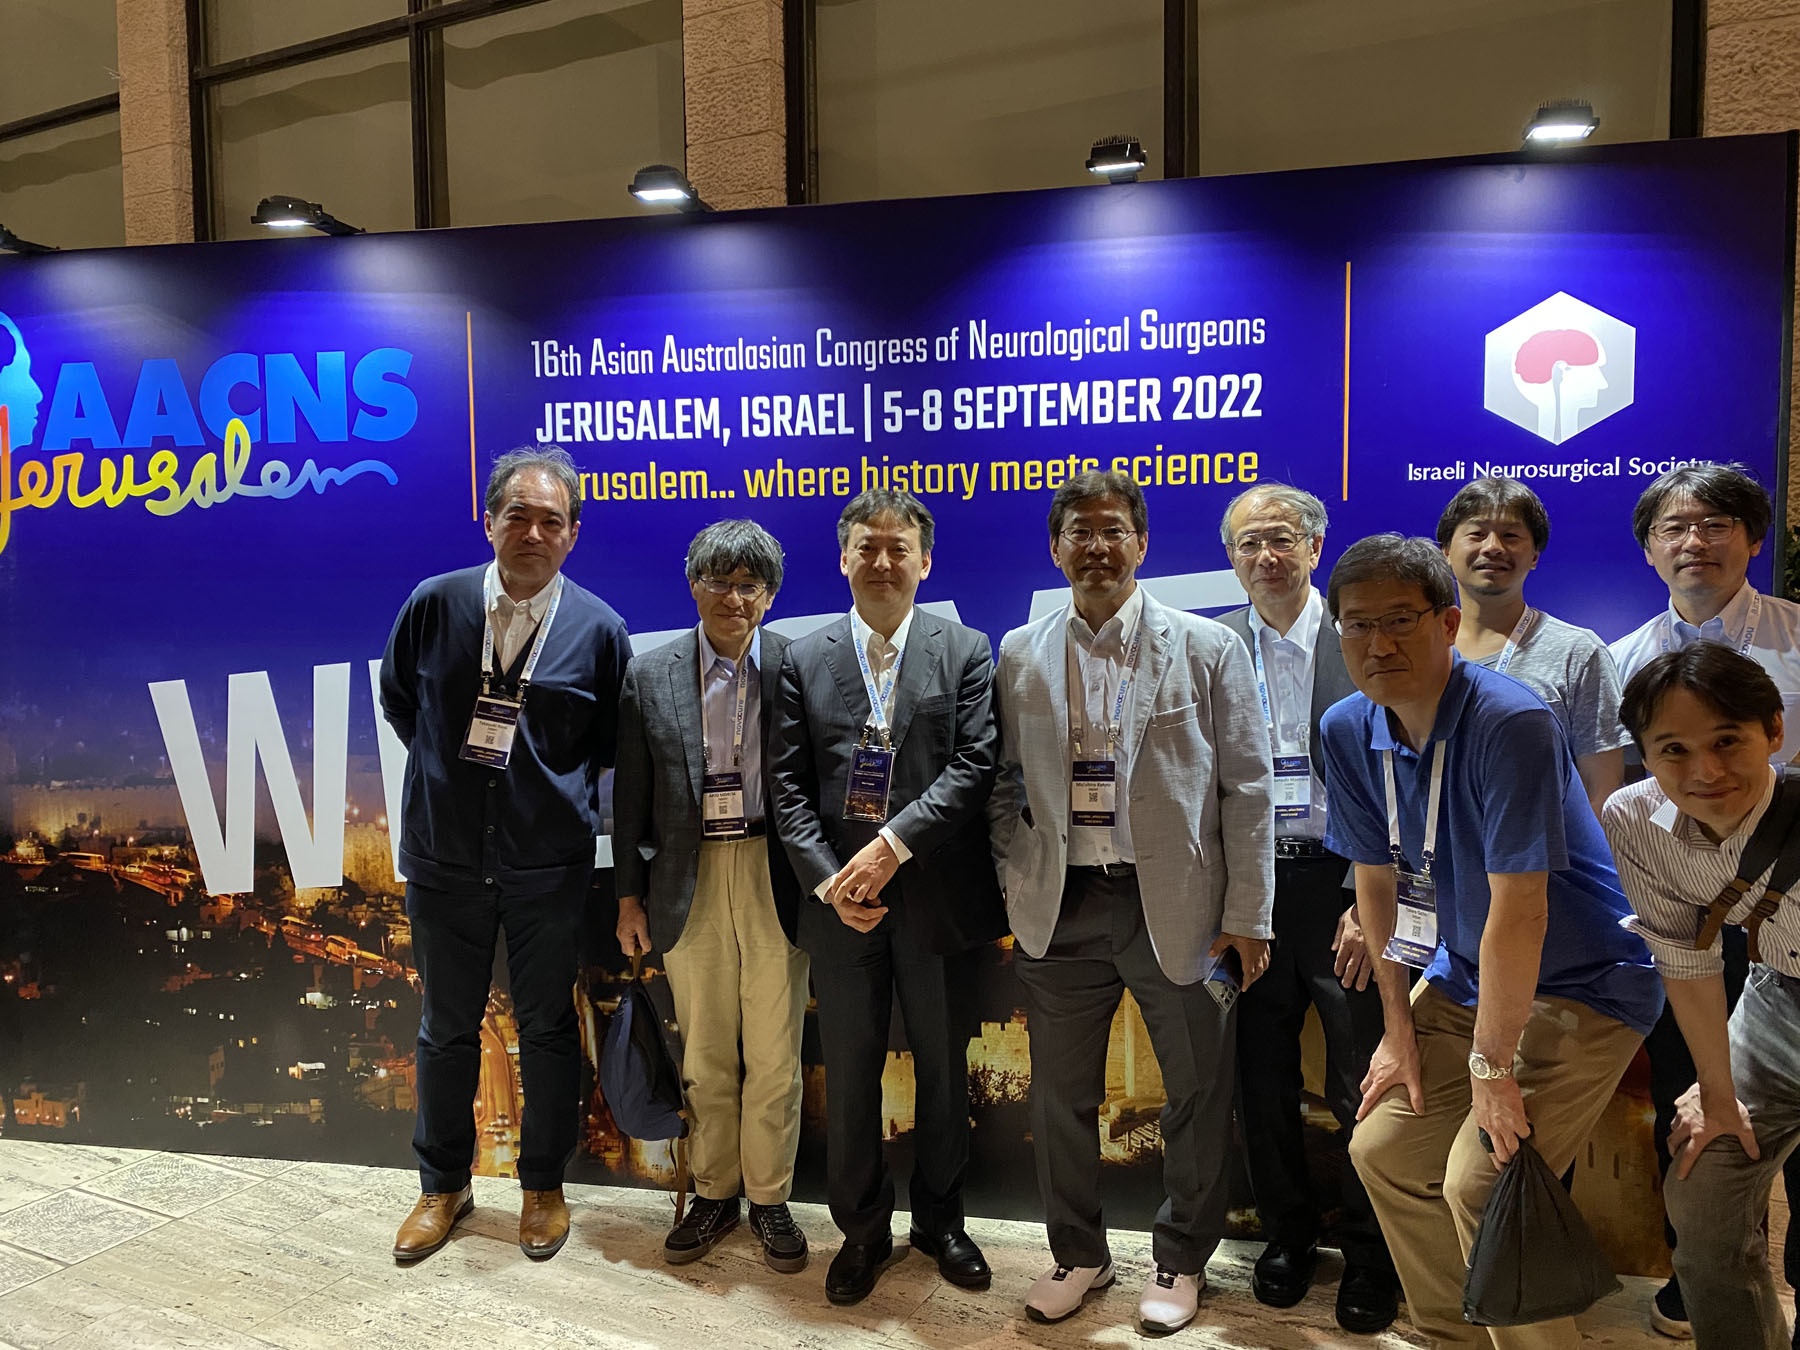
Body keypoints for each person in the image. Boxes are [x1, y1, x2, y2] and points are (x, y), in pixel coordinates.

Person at [1320, 534, 1664, 1350]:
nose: (1378, 643)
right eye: (1358, 624)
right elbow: (1376, 883)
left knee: (1483, 1179)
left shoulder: (1510, 721)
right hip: (1465, 972)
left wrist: (1492, 1070)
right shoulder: (1347, 727)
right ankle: (1455, 1334)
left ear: (1447, 624)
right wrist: (1397, 1033)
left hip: (1585, 983)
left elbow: (1522, 911)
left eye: (1399, 619)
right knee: (1383, 1152)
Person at [989, 469, 1273, 1335]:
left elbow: (1248, 787)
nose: (1097, 546)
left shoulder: (1207, 646)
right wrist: (1013, 871)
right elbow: (1000, 783)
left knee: (1195, 1091)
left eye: (1113, 530)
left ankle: (1182, 1259)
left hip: (1178, 906)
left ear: (1141, 543)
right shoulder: (1019, 652)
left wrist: (1249, 915)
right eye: (1080, 531)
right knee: (1059, 1098)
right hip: (1062, 903)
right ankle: (1078, 1254)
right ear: (1056, 548)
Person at [379, 446, 631, 1262]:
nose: (533, 532)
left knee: (549, 1029)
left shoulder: (600, 629)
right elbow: (400, 700)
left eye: (551, 521)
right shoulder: (434, 603)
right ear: (488, 521)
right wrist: (449, 781)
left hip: (547, 867)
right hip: (445, 859)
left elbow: (606, 746)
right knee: (445, 1029)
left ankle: (543, 1188)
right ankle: (442, 1187)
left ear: (573, 534)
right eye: (517, 515)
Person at [768, 488, 1007, 1306]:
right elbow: (787, 788)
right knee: (851, 1075)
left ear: (924, 562)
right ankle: (862, 1232)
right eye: (865, 547)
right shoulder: (802, 658)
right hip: (843, 905)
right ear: (843, 558)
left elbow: (974, 765)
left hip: (933, 895)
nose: (881, 561)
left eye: (897, 548)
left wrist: (889, 847)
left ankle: (941, 1224)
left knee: (943, 1071)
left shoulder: (964, 649)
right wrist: (830, 881)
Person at [1609, 462, 1800, 1337]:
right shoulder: (1623, 662)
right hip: (1753, 963)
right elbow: (1683, 959)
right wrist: (1716, 1089)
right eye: (1674, 527)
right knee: (1703, 1160)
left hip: (1778, 894)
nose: (1705, 769)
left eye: (1716, 523)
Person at [1214, 482, 1397, 1334]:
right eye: (1249, 544)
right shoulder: (1212, 645)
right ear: (1231, 558)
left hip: (1346, 883)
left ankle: (1370, 1252)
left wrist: (1368, 893)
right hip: (1251, 886)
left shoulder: (1361, 636)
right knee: (1260, 1075)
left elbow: (1399, 770)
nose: (1266, 556)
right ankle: (1286, 1235)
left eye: (1281, 539)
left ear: (1316, 547)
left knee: (1360, 1077)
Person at [612, 520, 809, 1273]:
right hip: (685, 876)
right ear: (692, 585)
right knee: (704, 1051)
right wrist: (628, 898)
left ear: (770, 593)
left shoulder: (798, 665)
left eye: (749, 584)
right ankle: (715, 1193)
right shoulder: (649, 674)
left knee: (776, 1051)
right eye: (718, 581)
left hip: (773, 871)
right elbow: (631, 798)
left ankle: (770, 1198)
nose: (733, 598)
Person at [1436, 476, 1627, 815]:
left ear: (1535, 555)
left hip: (1544, 849)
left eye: (1511, 536)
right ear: (1446, 551)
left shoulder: (1578, 652)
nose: (1493, 547)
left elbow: (1602, 791)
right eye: (1477, 534)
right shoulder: (1420, 648)